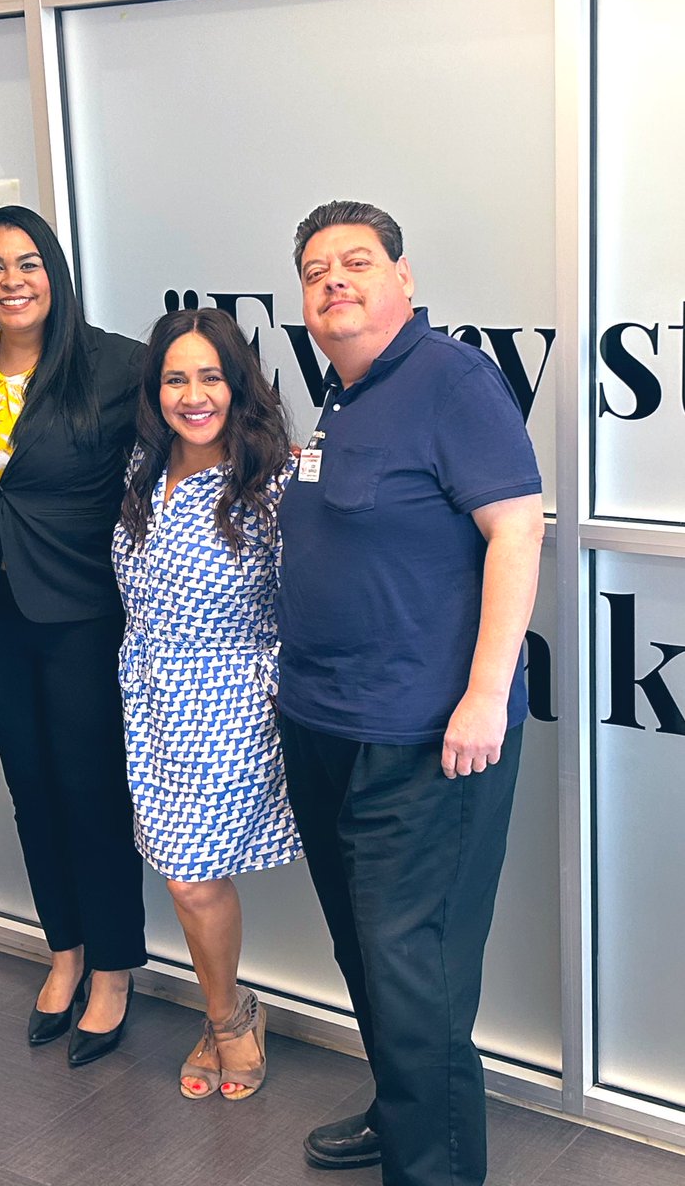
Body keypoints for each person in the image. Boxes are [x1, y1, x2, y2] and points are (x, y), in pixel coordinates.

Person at [275, 202, 543, 1183]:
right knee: (365, 954)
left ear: (404, 278)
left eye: (356, 262)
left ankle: (432, 1167)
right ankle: (400, 1114)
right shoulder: (343, 393)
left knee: (415, 979)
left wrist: (485, 694)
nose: (334, 280)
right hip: (327, 727)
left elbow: (517, 532)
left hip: (425, 740)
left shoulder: (452, 381)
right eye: (315, 269)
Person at [0, 205, 147, 1066]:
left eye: (27, 263)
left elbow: (172, 464)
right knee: (30, 787)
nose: (11, 281)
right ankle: (65, 950)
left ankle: (115, 969)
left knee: (91, 790)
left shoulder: (114, 366)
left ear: (54, 271)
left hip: (81, 613)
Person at [113, 308, 302, 1100]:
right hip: (150, 694)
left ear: (238, 384)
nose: (193, 395)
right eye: (175, 379)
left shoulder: (274, 480)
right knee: (177, 867)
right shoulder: (142, 472)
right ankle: (227, 1007)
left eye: (209, 377)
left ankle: (228, 1019)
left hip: (233, 697)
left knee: (191, 876)